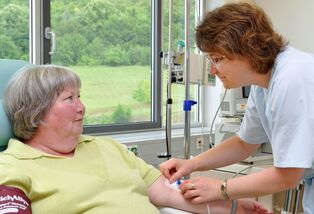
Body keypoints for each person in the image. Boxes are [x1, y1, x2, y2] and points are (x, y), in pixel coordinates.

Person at [0, 65, 270, 214]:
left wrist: (234, 209)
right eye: (69, 99)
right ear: (36, 111)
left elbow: (168, 193)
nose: (81, 107)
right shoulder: (12, 165)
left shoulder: (107, 148)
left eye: (80, 96)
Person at [159, 2, 314, 214]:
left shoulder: (292, 78)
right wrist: (191, 164)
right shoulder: (263, 85)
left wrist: (221, 189)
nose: (213, 70)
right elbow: (244, 143)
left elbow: (288, 176)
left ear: (247, 50)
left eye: (217, 59)